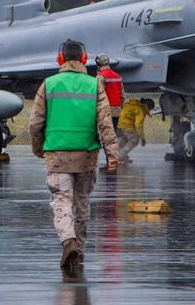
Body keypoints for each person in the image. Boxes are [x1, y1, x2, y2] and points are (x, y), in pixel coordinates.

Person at [29, 39, 120, 270]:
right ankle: (78, 250)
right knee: (82, 204)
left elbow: (34, 124)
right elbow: (105, 123)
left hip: (57, 156)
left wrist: (39, 149)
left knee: (61, 201)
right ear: (83, 59)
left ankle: (67, 240)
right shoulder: (94, 85)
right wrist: (112, 155)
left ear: (60, 59)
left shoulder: (49, 84)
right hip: (86, 158)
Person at [95, 54, 125, 173]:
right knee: (113, 137)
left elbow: (97, 95)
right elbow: (123, 95)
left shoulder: (100, 77)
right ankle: (112, 164)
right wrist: (119, 107)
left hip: (105, 110)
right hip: (116, 110)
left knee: (106, 138)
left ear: (98, 64)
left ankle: (111, 165)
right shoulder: (117, 76)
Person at [115, 97, 154, 163]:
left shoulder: (132, 104)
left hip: (119, 126)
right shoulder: (141, 110)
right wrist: (142, 138)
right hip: (127, 126)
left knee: (124, 140)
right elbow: (138, 125)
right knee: (134, 140)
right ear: (147, 107)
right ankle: (120, 156)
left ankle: (121, 156)